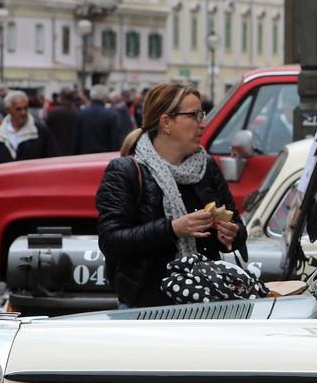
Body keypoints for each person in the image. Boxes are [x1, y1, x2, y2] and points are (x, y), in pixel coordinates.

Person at [95, 80, 245, 309]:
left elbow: (238, 226)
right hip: (146, 306)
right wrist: (172, 229)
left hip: (204, 300)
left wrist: (232, 233)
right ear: (166, 123)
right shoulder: (126, 171)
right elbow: (111, 242)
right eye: (194, 116)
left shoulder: (206, 167)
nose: (203, 124)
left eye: (202, 114)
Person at [0, 90, 58, 162]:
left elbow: (52, 158)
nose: (23, 113)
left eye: (25, 108)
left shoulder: (41, 132)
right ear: (8, 110)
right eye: (18, 109)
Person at [76, 86, 120, 153]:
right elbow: (115, 141)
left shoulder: (81, 114)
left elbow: (77, 139)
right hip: (105, 155)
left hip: (85, 155)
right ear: (104, 98)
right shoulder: (111, 115)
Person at [44, 88, 79, 157]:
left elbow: (46, 130)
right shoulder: (77, 113)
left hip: (56, 151)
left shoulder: (54, 112)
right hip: (72, 153)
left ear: (61, 98)